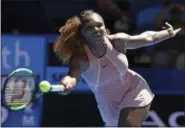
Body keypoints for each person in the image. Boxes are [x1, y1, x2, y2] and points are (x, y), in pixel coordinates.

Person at [53, 10, 181, 127]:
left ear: (104, 26)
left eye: (99, 25)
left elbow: (148, 37)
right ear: (82, 32)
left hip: (134, 89)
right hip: (109, 106)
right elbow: (72, 75)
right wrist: (66, 84)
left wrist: (168, 33)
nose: (96, 29)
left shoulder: (118, 41)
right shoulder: (81, 58)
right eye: (90, 27)